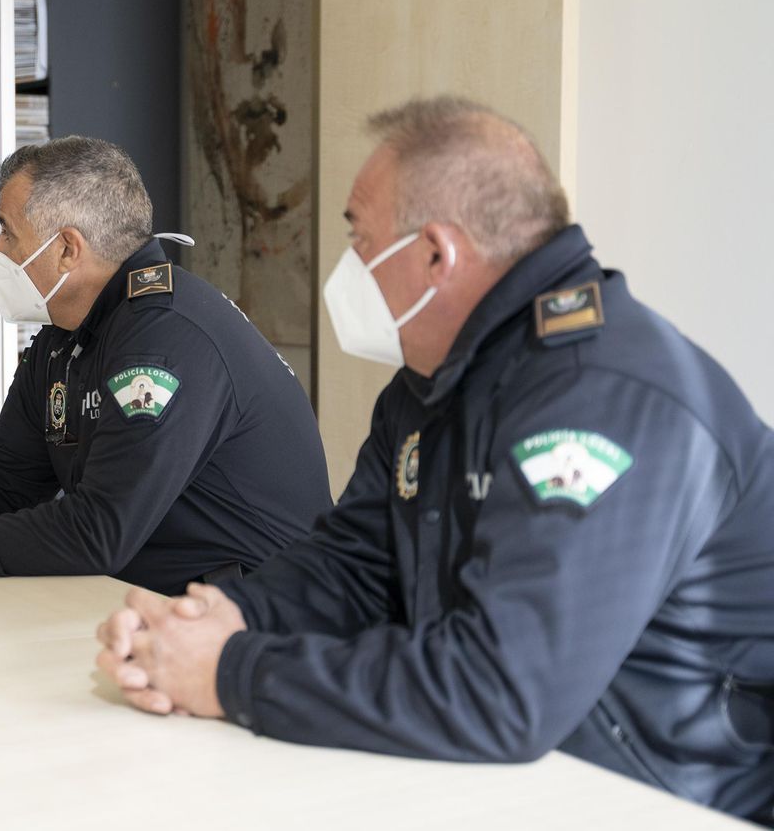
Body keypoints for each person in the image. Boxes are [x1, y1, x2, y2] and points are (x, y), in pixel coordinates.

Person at [95, 97, 774, 821]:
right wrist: (222, 616)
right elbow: (356, 563)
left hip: (665, 800)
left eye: (360, 239)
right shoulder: (433, 386)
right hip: (516, 780)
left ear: (435, 255)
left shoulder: (600, 399)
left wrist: (230, 673)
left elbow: (503, 691)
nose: (347, 268)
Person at [0, 136, 331, 595]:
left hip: (261, 622)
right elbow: (4, 479)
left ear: (67, 249)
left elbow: (97, 532)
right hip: (152, 603)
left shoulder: (164, 340)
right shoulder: (66, 333)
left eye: (8, 231)